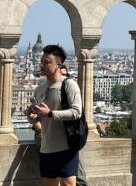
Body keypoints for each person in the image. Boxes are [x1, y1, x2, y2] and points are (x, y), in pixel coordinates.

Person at [26, 45, 82, 186]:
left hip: (66, 147)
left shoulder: (69, 85)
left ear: (59, 64)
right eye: (42, 62)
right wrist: (31, 116)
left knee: (68, 184)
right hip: (46, 147)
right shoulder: (40, 89)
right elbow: (38, 119)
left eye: (47, 62)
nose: (42, 65)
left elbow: (77, 112)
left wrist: (50, 113)